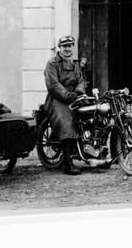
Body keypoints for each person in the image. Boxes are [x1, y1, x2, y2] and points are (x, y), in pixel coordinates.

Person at [44, 35, 86, 175]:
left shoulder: (75, 64)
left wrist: (79, 92)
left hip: (74, 96)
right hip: (57, 99)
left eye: (70, 45)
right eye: (65, 46)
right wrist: (68, 96)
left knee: (91, 115)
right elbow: (53, 85)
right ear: (59, 48)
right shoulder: (52, 63)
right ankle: (67, 163)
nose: (67, 49)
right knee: (67, 123)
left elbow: (81, 81)